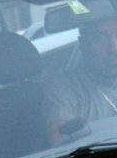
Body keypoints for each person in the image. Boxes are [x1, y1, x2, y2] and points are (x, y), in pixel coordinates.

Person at [45, 14, 117, 143]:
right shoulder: (66, 88)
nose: (113, 48)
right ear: (83, 44)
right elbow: (58, 138)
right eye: (99, 38)